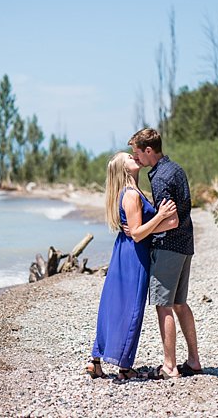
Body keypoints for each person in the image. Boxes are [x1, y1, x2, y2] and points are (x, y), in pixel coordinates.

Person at [86, 151, 177, 381]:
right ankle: (124, 367)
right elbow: (137, 234)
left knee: (114, 304)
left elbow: (136, 231)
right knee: (131, 308)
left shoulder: (130, 192)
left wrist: (153, 223)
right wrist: (162, 216)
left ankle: (96, 360)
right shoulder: (131, 195)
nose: (134, 157)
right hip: (134, 255)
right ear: (123, 169)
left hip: (124, 251)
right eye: (128, 157)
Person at [127, 128, 203, 380]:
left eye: (137, 153)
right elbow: (179, 217)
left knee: (163, 306)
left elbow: (170, 221)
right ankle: (194, 361)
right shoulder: (176, 168)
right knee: (180, 304)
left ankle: (169, 367)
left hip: (168, 247)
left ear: (149, 151)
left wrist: (141, 231)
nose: (135, 158)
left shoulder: (158, 177)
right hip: (185, 245)